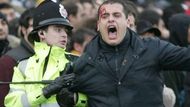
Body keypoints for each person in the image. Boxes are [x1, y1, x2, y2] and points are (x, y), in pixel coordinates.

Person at [40, 0, 190, 107]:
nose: (111, 19)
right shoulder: (85, 63)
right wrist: (65, 95)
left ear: (128, 21)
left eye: (117, 15)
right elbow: (65, 98)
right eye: (105, 17)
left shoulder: (152, 48)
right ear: (98, 25)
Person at [4, 1, 81, 107]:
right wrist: (45, 92)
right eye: (58, 29)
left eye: (65, 30)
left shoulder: (78, 62)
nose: (64, 35)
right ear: (41, 33)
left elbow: (95, 98)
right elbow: (12, 103)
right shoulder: (23, 66)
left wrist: (76, 99)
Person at [0, 8, 35, 107]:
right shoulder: (8, 61)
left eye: (3, 23)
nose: (1, 28)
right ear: (23, 30)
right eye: (33, 26)